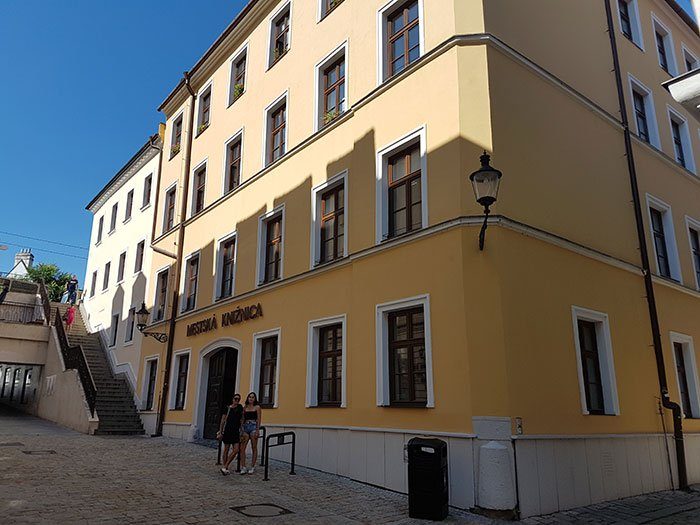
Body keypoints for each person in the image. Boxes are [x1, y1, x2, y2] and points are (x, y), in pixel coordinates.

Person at [218, 393, 243, 475]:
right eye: (235, 399)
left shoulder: (240, 407)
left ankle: (225, 466)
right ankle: (225, 468)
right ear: (232, 399)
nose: (237, 400)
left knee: (236, 450)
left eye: (238, 399)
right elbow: (223, 420)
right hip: (227, 430)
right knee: (226, 449)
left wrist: (241, 429)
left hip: (236, 431)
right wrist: (220, 431)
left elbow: (242, 419)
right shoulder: (227, 408)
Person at [239, 392, 262, 474]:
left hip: (253, 426)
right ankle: (243, 466)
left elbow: (258, 419)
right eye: (250, 397)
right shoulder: (245, 407)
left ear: (255, 399)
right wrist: (241, 429)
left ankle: (252, 466)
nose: (251, 398)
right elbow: (242, 419)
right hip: (245, 426)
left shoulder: (257, 407)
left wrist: (257, 430)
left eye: (253, 397)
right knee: (242, 448)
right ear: (247, 398)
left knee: (254, 447)